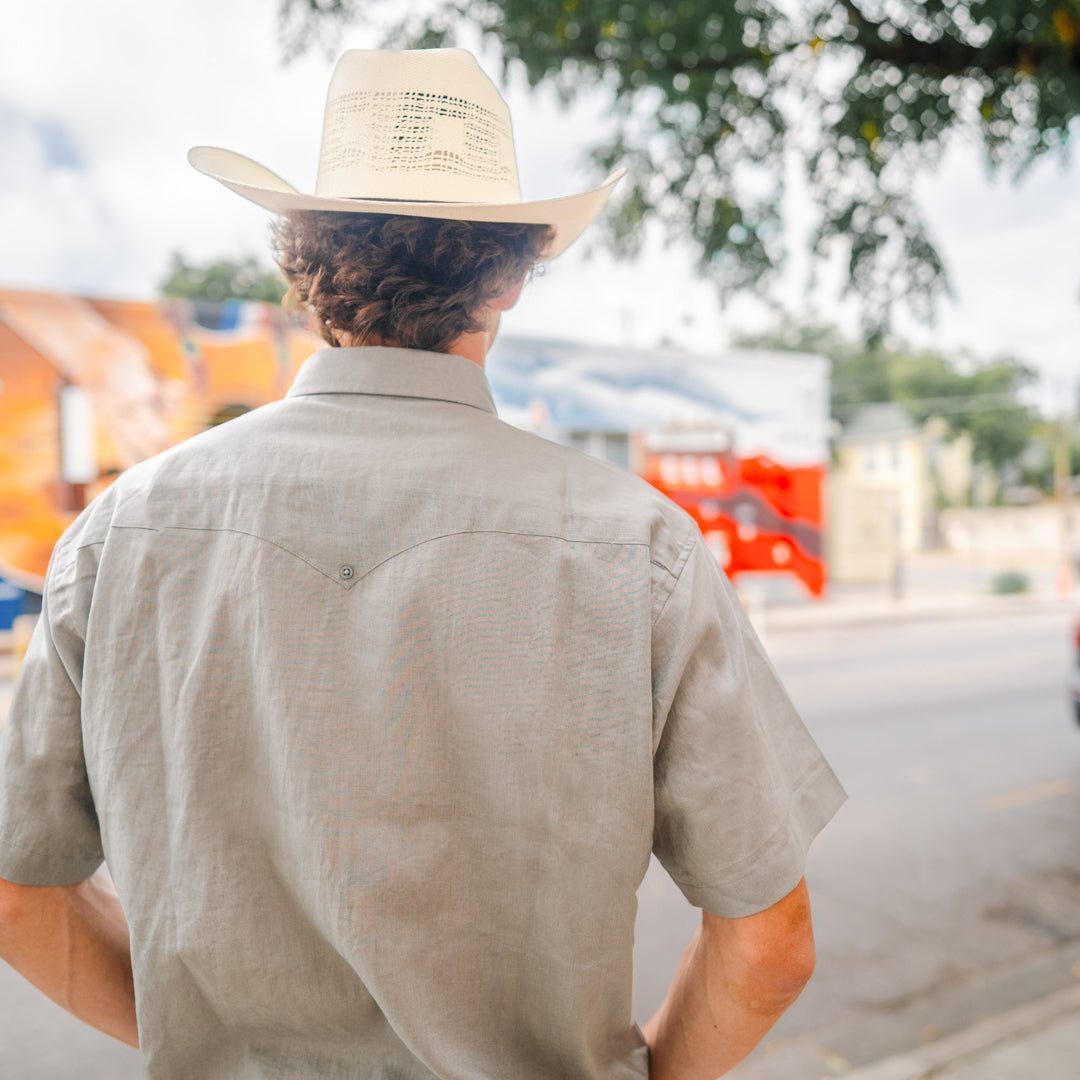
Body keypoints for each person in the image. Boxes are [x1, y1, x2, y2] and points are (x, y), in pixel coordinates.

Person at [0, 48, 845, 1080]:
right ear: (509, 276)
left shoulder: (121, 533)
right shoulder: (641, 548)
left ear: (300, 268)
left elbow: (17, 892)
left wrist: (213, 1042)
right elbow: (769, 945)